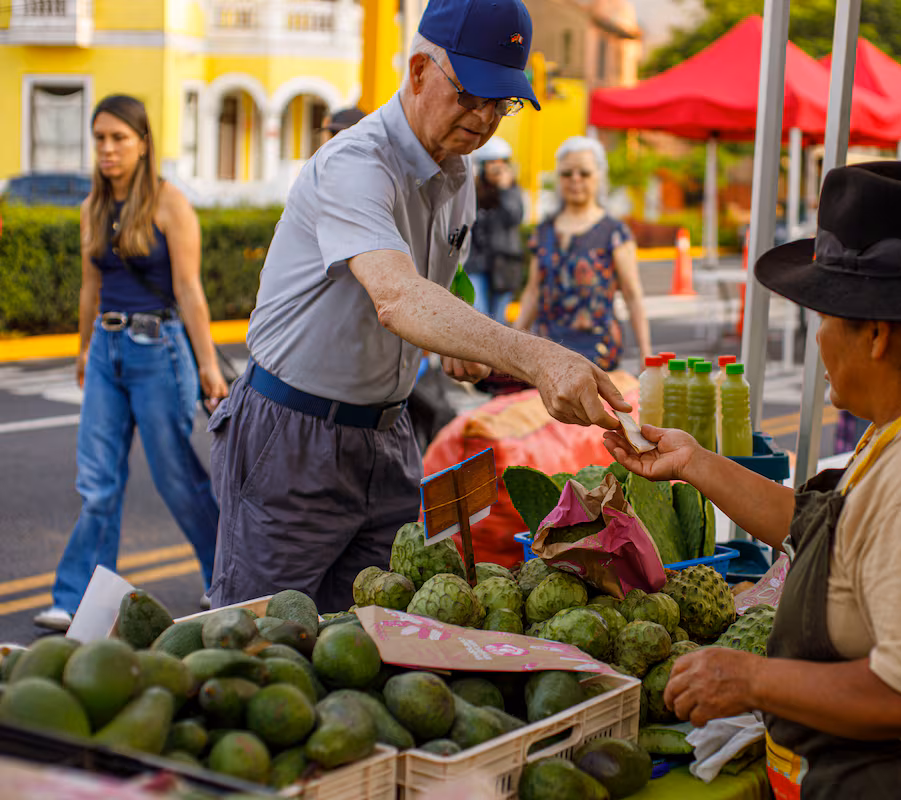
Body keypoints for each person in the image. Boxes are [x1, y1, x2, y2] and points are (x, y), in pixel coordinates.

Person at [605, 161, 901, 798]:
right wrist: (694, 462)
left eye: (824, 318)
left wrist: (753, 679)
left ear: (878, 335)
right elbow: (821, 532)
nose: (817, 339)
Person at [206, 0, 630, 613]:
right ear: (418, 71)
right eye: (470, 95)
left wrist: (462, 344)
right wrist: (537, 357)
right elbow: (398, 295)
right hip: (293, 432)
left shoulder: (457, 177)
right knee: (259, 632)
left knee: (376, 630)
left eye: (501, 103)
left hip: (391, 431)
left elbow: (442, 286)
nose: (483, 118)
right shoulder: (354, 164)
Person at [35, 95, 228, 630]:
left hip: (159, 349)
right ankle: (79, 598)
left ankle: (225, 579)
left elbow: (189, 289)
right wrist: (82, 349)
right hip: (106, 349)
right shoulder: (92, 208)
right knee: (97, 482)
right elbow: (90, 286)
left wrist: (208, 365)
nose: (107, 148)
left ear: (143, 144)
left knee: (176, 479)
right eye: (100, 138)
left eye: (119, 138)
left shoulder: (170, 203)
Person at [514, 136, 651, 370]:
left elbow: (632, 294)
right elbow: (533, 291)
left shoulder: (614, 232)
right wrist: (513, 342)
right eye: (567, 174)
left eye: (584, 173)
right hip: (548, 351)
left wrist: (646, 353)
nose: (575, 180)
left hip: (597, 352)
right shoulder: (544, 231)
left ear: (599, 176)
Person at [465, 136, 524, 321]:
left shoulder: (512, 191)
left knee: (499, 320)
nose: (497, 168)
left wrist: (504, 190)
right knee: (479, 315)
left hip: (504, 265)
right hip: (477, 263)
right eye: (492, 163)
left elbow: (513, 218)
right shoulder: (473, 191)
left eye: (501, 163)